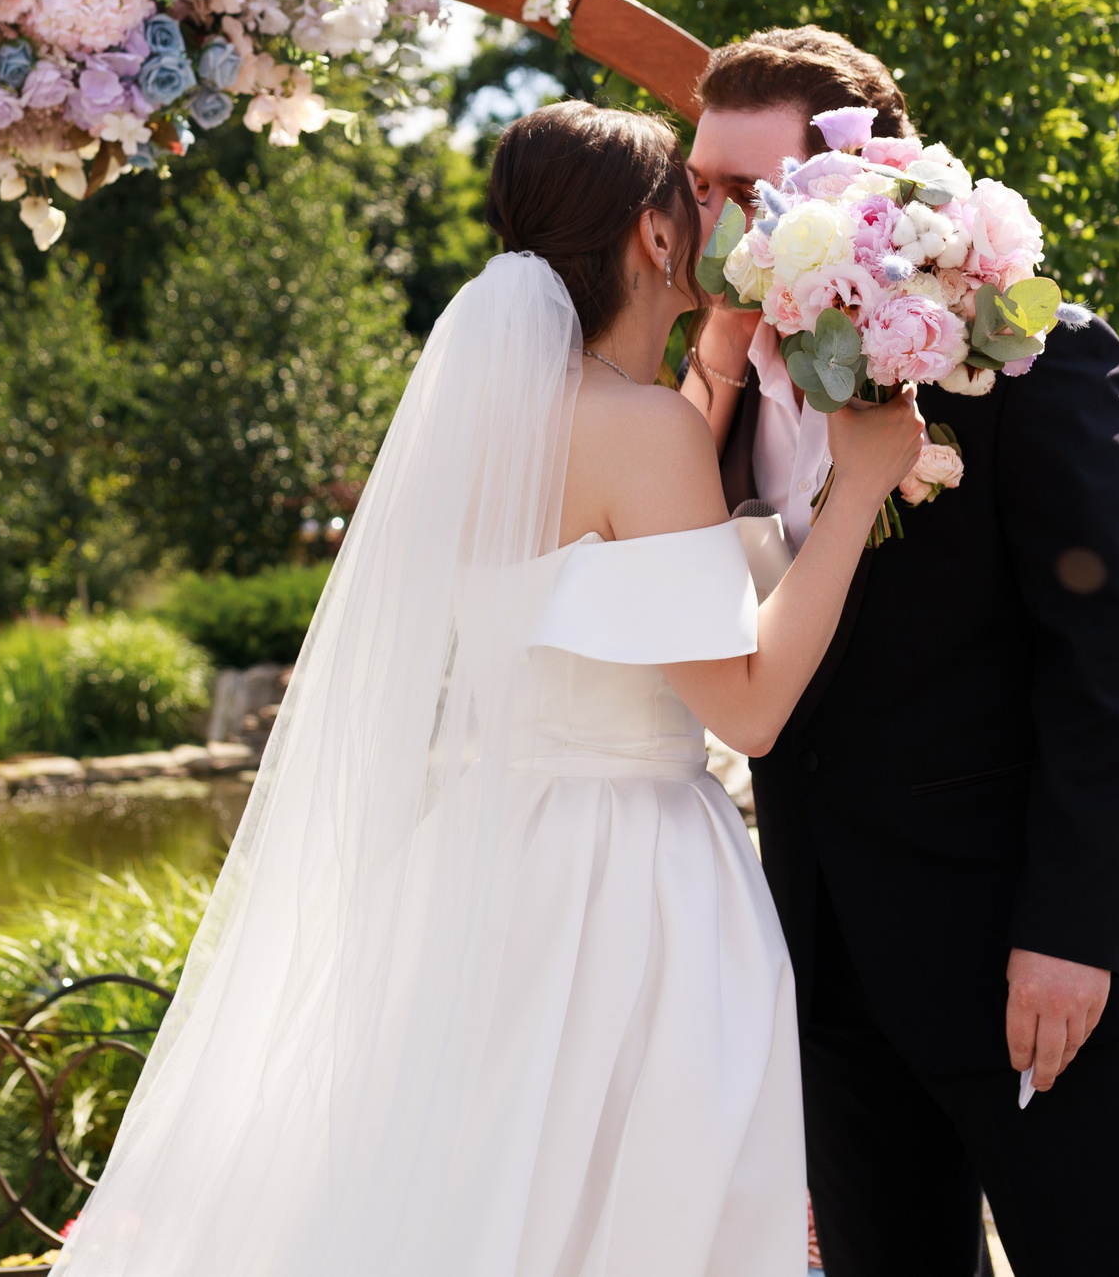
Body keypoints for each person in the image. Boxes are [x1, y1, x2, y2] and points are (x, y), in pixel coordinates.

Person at [56, 101, 926, 1277]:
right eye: (692, 193)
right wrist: (860, 487)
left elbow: (605, 562)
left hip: (495, 848)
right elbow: (749, 708)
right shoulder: (636, 430)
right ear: (655, 240)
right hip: (633, 881)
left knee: (496, 1193)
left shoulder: (500, 424)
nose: (716, 217)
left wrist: (709, 376)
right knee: (636, 1204)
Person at [680, 27, 1119, 1276]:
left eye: (745, 192)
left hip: (1019, 962)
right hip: (826, 967)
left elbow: (1117, 659)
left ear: (852, 191)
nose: (709, 220)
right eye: (700, 188)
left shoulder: (1028, 357)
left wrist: (1072, 934)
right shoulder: (716, 393)